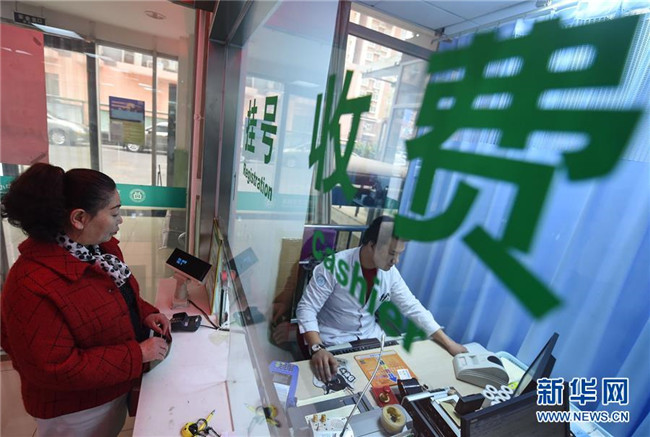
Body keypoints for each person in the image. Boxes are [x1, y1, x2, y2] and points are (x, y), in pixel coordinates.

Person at [0, 163, 171, 437]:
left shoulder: (99, 250)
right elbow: (54, 367)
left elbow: (122, 296)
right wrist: (138, 354)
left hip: (113, 387)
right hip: (75, 412)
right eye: (114, 212)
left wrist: (145, 313)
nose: (120, 220)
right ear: (79, 218)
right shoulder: (30, 284)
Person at [296, 216, 467, 382]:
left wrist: (448, 343)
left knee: (396, 381)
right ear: (371, 245)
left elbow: (412, 306)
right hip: (333, 340)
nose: (396, 261)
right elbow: (306, 308)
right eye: (392, 253)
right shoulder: (332, 266)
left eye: (399, 254)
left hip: (371, 338)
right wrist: (317, 347)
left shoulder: (390, 274)